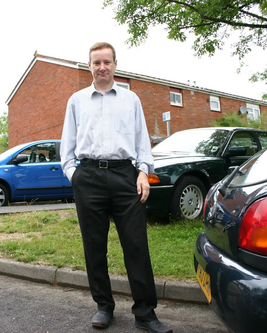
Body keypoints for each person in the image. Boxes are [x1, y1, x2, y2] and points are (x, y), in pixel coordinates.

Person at [60, 42, 173, 333]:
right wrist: (76, 176)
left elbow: (142, 142)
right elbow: (67, 147)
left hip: (126, 177)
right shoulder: (76, 100)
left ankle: (145, 313)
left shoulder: (131, 99)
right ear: (89, 66)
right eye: (96, 62)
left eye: (107, 62)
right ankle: (103, 306)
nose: (102, 67)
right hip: (89, 178)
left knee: (136, 245)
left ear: (115, 64)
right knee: (94, 247)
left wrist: (143, 172)